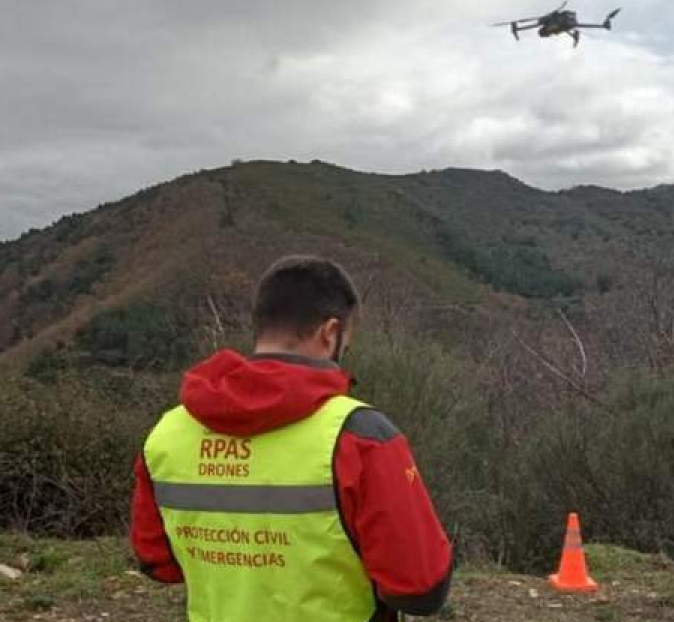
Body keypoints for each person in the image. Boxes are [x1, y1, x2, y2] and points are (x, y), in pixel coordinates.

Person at [130, 255, 452, 621]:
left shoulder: (167, 434)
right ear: (330, 333)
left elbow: (158, 564)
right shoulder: (362, 437)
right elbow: (421, 590)